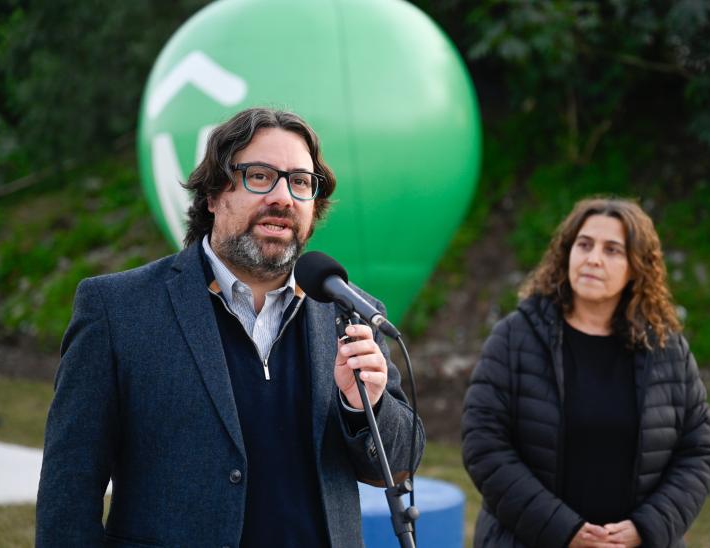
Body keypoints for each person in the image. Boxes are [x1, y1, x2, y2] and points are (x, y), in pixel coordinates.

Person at [36, 107, 424, 547]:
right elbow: (69, 487)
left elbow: (399, 464)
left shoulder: (348, 312)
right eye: (260, 176)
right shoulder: (118, 309)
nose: (283, 197)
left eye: (300, 182)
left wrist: (364, 407)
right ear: (214, 194)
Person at [461, 197, 710, 548]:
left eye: (612, 250)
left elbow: (697, 452)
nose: (593, 258)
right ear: (567, 254)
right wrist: (563, 529)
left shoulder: (666, 349)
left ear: (636, 267)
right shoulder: (515, 338)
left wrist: (646, 528)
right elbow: (484, 445)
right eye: (584, 245)